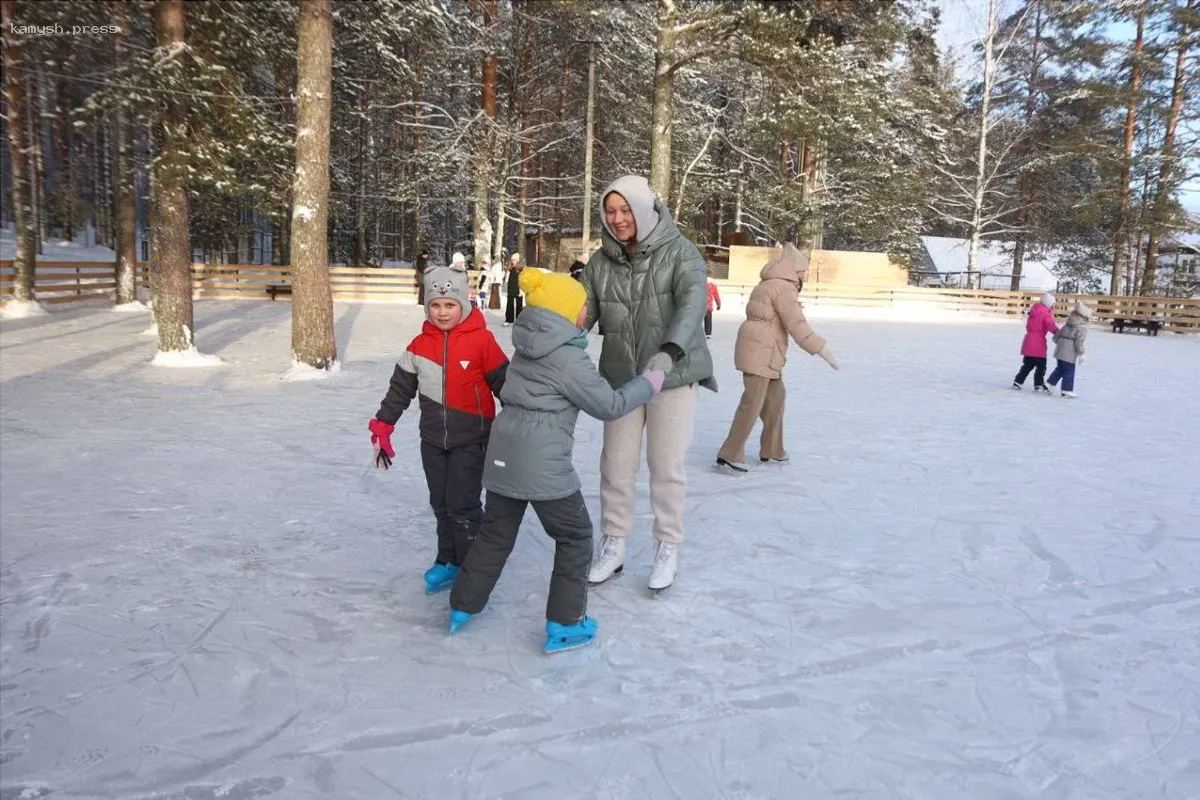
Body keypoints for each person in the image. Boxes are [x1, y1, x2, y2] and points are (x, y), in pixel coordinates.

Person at [449, 268, 665, 653]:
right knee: (575, 536)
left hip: (503, 453)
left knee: (495, 534)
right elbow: (610, 405)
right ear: (566, 312)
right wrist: (648, 383)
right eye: (582, 307)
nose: (586, 313)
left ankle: (462, 605)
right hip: (542, 462)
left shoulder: (525, 348)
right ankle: (566, 624)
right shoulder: (567, 359)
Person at [580, 174, 715, 593]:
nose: (617, 219)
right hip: (621, 378)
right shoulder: (601, 263)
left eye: (625, 210)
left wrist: (669, 351)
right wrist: (557, 334)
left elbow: (692, 307)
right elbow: (581, 313)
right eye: (610, 211)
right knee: (615, 465)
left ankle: (667, 545)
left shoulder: (681, 253)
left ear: (643, 209)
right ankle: (614, 543)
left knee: (666, 465)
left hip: (671, 376)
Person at [369, 266, 509, 594]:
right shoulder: (419, 345)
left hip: (472, 440)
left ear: (463, 304)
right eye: (435, 305)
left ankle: (473, 566)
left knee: (463, 504)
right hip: (432, 439)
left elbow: (506, 385)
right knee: (440, 502)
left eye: (449, 304)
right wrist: (383, 424)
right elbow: (399, 390)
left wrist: (526, 421)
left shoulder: (482, 341)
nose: (442, 312)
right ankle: (448, 559)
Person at [715, 244, 838, 473]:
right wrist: (821, 348)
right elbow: (796, 324)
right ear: (793, 270)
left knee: (775, 400)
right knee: (752, 404)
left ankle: (772, 449)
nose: (804, 276)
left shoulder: (769, 283)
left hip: (763, 351)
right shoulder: (783, 288)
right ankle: (730, 454)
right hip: (761, 352)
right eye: (802, 271)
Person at [1012, 292, 1059, 394]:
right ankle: (1038, 384)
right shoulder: (1045, 313)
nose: (1053, 307)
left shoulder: (1034, 311)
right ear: (1049, 304)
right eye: (1053, 305)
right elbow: (1051, 325)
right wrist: (1059, 332)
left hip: (1028, 341)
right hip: (1038, 343)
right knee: (1041, 366)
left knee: (1027, 365)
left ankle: (1018, 381)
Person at [1048, 301, 1090, 398]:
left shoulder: (1069, 322)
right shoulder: (1082, 327)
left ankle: (1049, 384)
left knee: (1060, 369)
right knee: (1069, 371)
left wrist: (1056, 339)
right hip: (1069, 351)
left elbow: (1059, 333)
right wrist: (1082, 353)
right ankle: (1066, 390)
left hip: (1060, 348)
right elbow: (1079, 342)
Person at [504, 253, 524, 325]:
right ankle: (509, 320)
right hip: (511, 289)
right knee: (509, 304)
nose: (512, 261)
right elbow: (506, 280)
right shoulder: (509, 269)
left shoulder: (521, 270)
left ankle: (519, 320)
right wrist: (506, 289)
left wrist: (521, 290)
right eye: (512, 260)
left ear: (517, 261)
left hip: (518, 289)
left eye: (514, 260)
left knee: (519, 306)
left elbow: (522, 281)